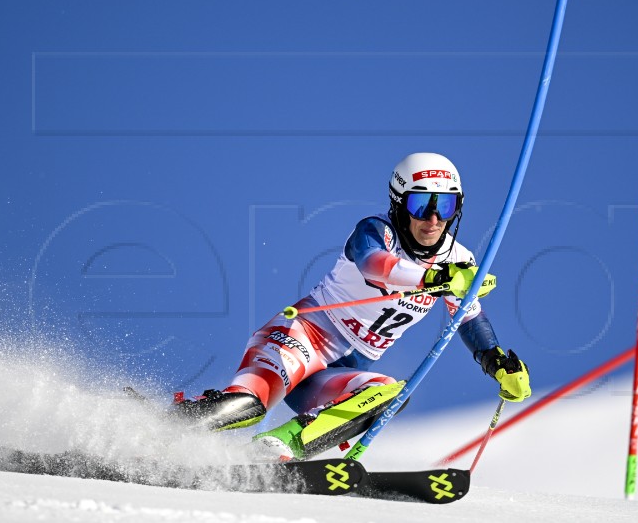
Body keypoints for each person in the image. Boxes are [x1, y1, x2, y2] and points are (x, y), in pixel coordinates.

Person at [176, 152, 531, 460]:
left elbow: (469, 320)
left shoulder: (460, 260)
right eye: (422, 206)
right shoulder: (377, 231)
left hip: (335, 374)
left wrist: (497, 363)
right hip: (301, 339)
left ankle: (274, 449)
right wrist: (434, 279)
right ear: (399, 203)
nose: (433, 219)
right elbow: (373, 265)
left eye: (446, 205)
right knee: (246, 406)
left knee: (388, 393)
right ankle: (154, 432)